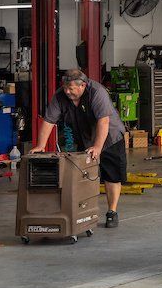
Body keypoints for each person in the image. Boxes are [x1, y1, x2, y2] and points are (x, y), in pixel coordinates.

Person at [33, 68, 127, 228]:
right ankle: (84, 211)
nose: (67, 91)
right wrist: (40, 145)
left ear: (83, 85)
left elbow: (103, 122)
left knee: (112, 175)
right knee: (83, 175)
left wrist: (98, 147)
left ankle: (112, 212)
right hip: (85, 137)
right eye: (65, 87)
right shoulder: (60, 96)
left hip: (110, 137)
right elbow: (49, 121)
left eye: (71, 88)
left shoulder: (97, 92)